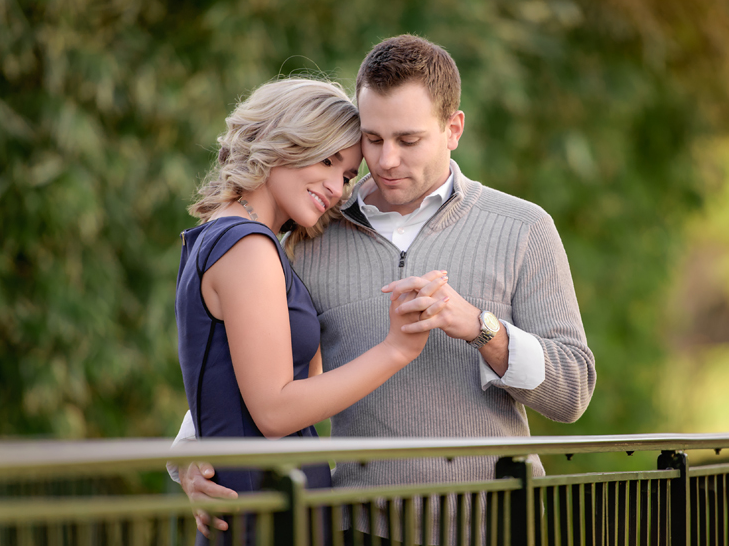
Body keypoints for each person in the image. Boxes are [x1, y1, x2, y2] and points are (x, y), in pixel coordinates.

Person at [173, 36, 596, 539]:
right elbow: (252, 355)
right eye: (372, 140)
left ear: (453, 129)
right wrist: (190, 459)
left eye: (408, 140)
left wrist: (482, 329)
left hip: (495, 528)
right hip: (358, 529)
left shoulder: (523, 228)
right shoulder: (310, 232)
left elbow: (573, 392)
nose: (387, 160)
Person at [174, 77, 450, 542]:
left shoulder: (225, 236)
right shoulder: (247, 246)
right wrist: (397, 350)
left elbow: (239, 380)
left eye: (345, 176)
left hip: (277, 504)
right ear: (281, 141)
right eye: (326, 160)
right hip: (263, 510)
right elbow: (275, 411)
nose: (336, 188)